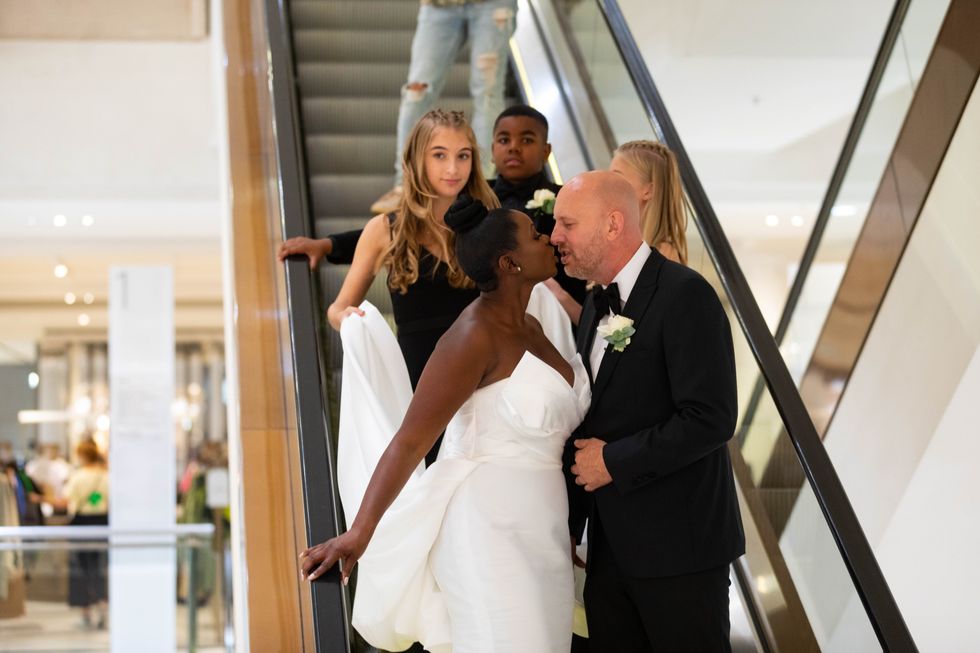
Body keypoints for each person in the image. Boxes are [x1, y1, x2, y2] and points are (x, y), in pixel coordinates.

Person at [300, 197, 590, 653]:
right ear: (510, 263)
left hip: (544, 529)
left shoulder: (533, 324)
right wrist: (360, 531)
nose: (548, 236)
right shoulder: (471, 335)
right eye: (535, 235)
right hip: (486, 529)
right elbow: (411, 440)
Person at [552, 171, 744, 652]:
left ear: (613, 224)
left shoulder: (686, 295)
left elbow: (711, 417)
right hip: (610, 549)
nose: (555, 237)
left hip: (681, 549)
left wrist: (612, 461)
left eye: (567, 224)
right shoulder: (597, 303)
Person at [278, 105, 587, 306]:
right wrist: (329, 245)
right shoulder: (473, 204)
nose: (452, 169)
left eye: (462, 156)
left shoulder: (488, 209)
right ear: (491, 150)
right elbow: (395, 230)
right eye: (504, 140)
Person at [369, 0, 518, 215]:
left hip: (493, 4)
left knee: (488, 95)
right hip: (438, 5)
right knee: (416, 92)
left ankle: (480, 186)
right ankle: (405, 184)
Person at [47, 439, 110, 630]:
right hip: (103, 523)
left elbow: (65, 501)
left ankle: (86, 610)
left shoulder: (78, 476)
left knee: (81, 568)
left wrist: (41, 498)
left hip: (82, 523)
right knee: (99, 566)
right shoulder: (106, 476)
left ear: (82, 456)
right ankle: (103, 605)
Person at [609, 140, 688, 265]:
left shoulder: (664, 256)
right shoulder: (613, 244)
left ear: (648, 191)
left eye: (617, 177)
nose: (607, 185)